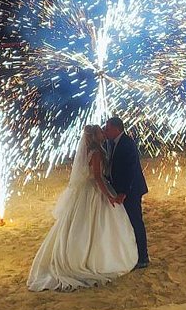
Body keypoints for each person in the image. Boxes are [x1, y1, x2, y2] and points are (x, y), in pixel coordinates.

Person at [27, 124, 138, 291]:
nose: (103, 132)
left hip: (86, 190)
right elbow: (98, 177)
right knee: (97, 224)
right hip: (95, 191)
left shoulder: (90, 150)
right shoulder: (97, 152)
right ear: (95, 136)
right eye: (100, 131)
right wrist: (108, 196)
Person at [104, 116, 149, 269]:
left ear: (116, 129)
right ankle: (133, 255)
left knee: (136, 222)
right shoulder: (112, 143)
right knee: (127, 223)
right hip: (122, 190)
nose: (106, 131)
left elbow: (131, 170)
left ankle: (143, 257)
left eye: (108, 129)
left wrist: (123, 192)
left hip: (131, 191)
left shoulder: (127, 143)